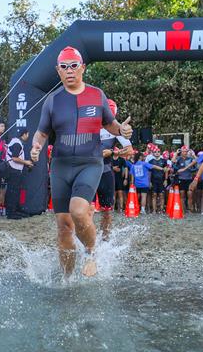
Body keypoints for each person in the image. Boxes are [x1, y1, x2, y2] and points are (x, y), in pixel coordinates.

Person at [29, 46, 132, 278]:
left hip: (90, 162)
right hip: (60, 166)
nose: (69, 71)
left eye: (74, 66)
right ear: (58, 71)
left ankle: (91, 252)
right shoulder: (52, 100)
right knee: (64, 227)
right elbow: (42, 133)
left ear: (82, 68)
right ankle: (67, 280)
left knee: (78, 210)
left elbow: (111, 124)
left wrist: (122, 130)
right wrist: (36, 146)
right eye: (64, 67)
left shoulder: (97, 95)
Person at [97, 99, 131, 238]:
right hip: (87, 170)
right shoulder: (88, 125)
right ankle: (88, 238)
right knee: (85, 209)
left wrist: (113, 152)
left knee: (106, 210)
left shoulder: (115, 130)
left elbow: (129, 151)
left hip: (105, 171)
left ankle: (105, 237)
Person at [4, 127, 33, 220]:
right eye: (27, 134)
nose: (28, 136)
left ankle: (14, 210)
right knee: (13, 191)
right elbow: (14, 158)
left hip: (14, 170)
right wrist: (26, 162)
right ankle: (11, 213)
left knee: (14, 191)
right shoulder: (17, 143)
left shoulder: (15, 142)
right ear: (24, 134)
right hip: (13, 170)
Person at [174, 147, 197, 212]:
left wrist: (193, 154)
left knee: (190, 194)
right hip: (181, 179)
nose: (185, 153)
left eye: (186, 151)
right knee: (182, 194)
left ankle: (190, 209)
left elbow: (198, 162)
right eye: (184, 151)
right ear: (181, 152)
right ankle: (182, 209)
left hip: (189, 178)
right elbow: (172, 162)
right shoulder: (179, 159)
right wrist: (176, 153)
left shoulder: (190, 159)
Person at [112, 147, 129, 211]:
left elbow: (126, 168)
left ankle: (121, 208)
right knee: (113, 194)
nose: (116, 152)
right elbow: (106, 166)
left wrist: (126, 178)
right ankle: (112, 208)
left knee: (120, 193)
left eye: (117, 151)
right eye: (115, 151)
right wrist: (113, 168)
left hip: (119, 179)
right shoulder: (110, 159)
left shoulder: (121, 159)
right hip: (112, 179)